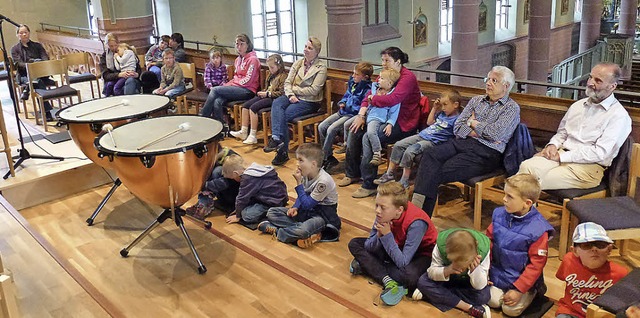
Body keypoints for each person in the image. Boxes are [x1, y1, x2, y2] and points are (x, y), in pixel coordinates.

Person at [412, 66, 520, 216]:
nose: (488, 83)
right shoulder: (477, 101)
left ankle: (417, 216)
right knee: (429, 155)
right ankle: (418, 216)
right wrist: (479, 131)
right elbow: (457, 127)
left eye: (494, 80)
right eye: (488, 79)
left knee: (434, 172)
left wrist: (473, 123)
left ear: (506, 86)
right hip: (462, 143)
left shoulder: (511, 108)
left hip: (487, 153)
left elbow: (495, 134)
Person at [518, 62, 632, 190]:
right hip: (560, 155)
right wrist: (552, 145)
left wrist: (561, 157)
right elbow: (562, 133)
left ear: (612, 86)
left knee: (528, 183)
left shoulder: (619, 116)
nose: (590, 83)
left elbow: (600, 153)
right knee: (526, 167)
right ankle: (527, 208)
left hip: (588, 168)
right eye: (590, 77)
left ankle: (522, 208)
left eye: (598, 80)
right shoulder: (578, 105)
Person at [338, 47, 421, 198]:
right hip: (379, 116)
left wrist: (372, 100)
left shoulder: (407, 78)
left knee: (368, 137)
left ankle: (368, 184)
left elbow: (393, 99)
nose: (383, 63)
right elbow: (370, 94)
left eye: (387, 60)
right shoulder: (384, 75)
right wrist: (361, 115)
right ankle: (352, 173)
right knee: (354, 129)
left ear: (398, 61)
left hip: (401, 122)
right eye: (382, 60)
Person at [348, 182, 438, 306]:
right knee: (354, 244)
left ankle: (368, 265)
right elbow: (369, 247)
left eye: (382, 207)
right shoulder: (383, 214)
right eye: (376, 205)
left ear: (399, 210)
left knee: (409, 277)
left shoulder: (417, 223)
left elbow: (403, 262)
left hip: (421, 254)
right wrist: (379, 235)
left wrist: (387, 236)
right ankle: (387, 279)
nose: (377, 211)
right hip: (396, 245)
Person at [486, 174, 553, 316]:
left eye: (510, 197)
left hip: (521, 280)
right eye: (504, 194)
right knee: (493, 301)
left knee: (510, 310)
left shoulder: (538, 230)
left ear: (527, 203)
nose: (504, 199)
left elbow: (536, 265)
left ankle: (534, 291)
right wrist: (484, 271)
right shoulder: (498, 214)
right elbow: (488, 243)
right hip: (497, 273)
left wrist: (519, 289)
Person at [374, 89, 462, 188]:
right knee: (398, 145)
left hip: (432, 142)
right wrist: (434, 108)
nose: (443, 108)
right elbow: (429, 123)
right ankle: (389, 173)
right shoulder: (441, 114)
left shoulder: (457, 119)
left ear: (455, 105)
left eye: (445, 104)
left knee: (410, 151)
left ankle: (404, 179)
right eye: (442, 105)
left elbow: (457, 136)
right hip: (422, 135)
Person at [258, 143, 340, 248]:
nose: (297, 164)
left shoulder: (323, 181)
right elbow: (304, 195)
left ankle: (278, 231)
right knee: (272, 212)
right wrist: (295, 207)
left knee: (303, 230)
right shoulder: (307, 173)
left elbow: (307, 204)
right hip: (307, 212)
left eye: (301, 160)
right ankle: (301, 233)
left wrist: (298, 183)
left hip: (321, 215)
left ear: (313, 164)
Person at [263, 37, 328, 166]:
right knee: (277, 103)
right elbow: (287, 82)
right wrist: (291, 94)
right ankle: (276, 138)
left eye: (310, 48)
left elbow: (313, 90)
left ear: (317, 51)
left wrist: (295, 90)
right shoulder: (298, 63)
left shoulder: (321, 67)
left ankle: (282, 152)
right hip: (291, 96)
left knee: (284, 115)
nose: (306, 50)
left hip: (309, 101)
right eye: (305, 47)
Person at [555, 222, 629, 318]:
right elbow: (562, 277)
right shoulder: (568, 261)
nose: (594, 249)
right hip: (570, 310)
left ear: (609, 249)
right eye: (586, 245)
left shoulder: (620, 274)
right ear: (574, 251)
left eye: (600, 245)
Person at [414, 228, 492, 318]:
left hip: (467, 284)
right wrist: (448, 269)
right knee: (423, 282)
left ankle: (431, 296)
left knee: (484, 296)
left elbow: (480, 286)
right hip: (448, 280)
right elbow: (432, 272)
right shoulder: (441, 246)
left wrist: (475, 270)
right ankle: (469, 307)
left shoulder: (483, 249)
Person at [200, 34, 260, 134]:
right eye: (237, 44)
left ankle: (203, 119)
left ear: (248, 45)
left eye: (242, 44)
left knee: (215, 90)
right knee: (217, 101)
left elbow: (248, 80)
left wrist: (232, 85)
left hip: (247, 90)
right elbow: (235, 77)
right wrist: (227, 85)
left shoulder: (253, 60)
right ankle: (222, 127)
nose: (239, 47)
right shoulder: (238, 60)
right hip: (236, 88)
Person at [318, 62, 373, 171]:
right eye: (353, 73)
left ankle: (324, 158)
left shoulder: (367, 89)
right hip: (342, 111)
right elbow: (346, 95)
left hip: (351, 114)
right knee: (321, 126)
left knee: (331, 129)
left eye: (356, 74)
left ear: (365, 77)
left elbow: (361, 106)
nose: (353, 76)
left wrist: (348, 106)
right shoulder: (353, 83)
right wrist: (342, 102)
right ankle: (328, 155)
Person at [230, 54, 287, 145]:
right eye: (269, 68)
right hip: (266, 94)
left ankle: (253, 135)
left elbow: (282, 93)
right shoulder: (270, 75)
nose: (270, 70)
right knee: (245, 106)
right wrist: (263, 92)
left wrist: (267, 94)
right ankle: (244, 131)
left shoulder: (283, 76)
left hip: (273, 98)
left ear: (279, 66)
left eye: (272, 67)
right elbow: (267, 87)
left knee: (253, 108)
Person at [222, 155, 288, 227]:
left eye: (233, 178)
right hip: (281, 196)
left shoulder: (247, 179)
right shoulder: (255, 169)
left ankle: (271, 211)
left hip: (272, 202)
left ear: (236, 174)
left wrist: (238, 215)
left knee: (246, 215)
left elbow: (242, 198)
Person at [11, 24, 56, 121]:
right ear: (17, 35)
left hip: (41, 72)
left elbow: (45, 57)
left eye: (25, 32)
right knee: (38, 81)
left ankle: (27, 89)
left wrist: (39, 63)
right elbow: (19, 64)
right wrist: (32, 64)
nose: (24, 35)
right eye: (21, 33)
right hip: (24, 75)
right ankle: (47, 112)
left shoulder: (37, 46)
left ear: (29, 33)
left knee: (37, 77)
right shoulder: (15, 49)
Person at [185, 148, 241, 220]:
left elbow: (223, 183)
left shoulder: (233, 162)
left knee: (216, 171)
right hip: (222, 192)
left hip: (232, 196)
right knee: (208, 171)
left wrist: (202, 185)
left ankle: (206, 205)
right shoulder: (215, 157)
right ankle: (202, 203)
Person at [364, 68, 401, 166]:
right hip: (368, 115)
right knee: (349, 125)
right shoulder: (375, 90)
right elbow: (372, 91)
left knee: (371, 132)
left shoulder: (393, 96)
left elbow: (394, 113)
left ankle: (377, 153)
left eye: (381, 78)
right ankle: (346, 143)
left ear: (389, 83)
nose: (378, 79)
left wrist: (390, 124)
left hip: (377, 118)